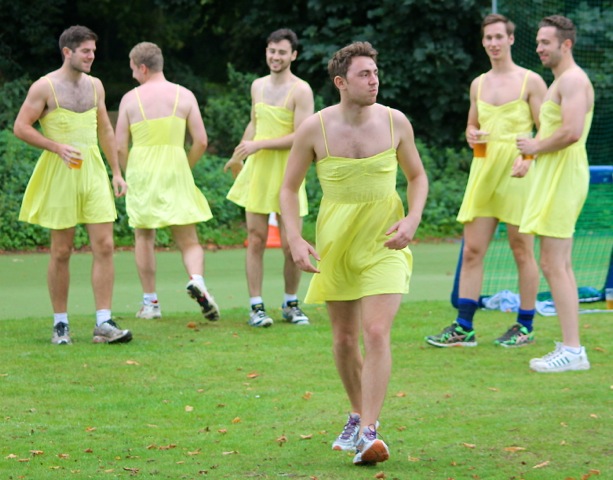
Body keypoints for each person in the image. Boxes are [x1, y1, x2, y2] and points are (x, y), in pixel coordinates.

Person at [280, 42, 428, 466]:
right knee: (344, 341)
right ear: (341, 82)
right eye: (364, 74)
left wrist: (413, 218)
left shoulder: (396, 122)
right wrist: (294, 238)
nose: (374, 80)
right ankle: (357, 413)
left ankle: (369, 431)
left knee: (376, 331)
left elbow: (417, 177)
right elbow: (288, 188)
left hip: (385, 242)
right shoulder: (315, 128)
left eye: (375, 72)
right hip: (336, 245)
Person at [426, 14, 547, 348]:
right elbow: (472, 126)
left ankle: (525, 326)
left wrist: (528, 159)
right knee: (472, 250)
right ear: (483, 42)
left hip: (518, 172)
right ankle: (464, 327)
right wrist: (471, 134)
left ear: (510, 39)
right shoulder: (478, 84)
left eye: (499, 37)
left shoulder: (531, 81)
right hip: (484, 172)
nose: (493, 43)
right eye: (488, 38)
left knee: (522, 250)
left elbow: (545, 130)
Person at [13, 25, 132, 345]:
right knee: (62, 250)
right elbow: (21, 127)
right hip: (60, 171)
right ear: (67, 52)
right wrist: (56, 147)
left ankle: (104, 322)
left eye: (93, 51)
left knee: (105, 245)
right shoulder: (44, 86)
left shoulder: (96, 85)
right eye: (85, 51)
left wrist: (116, 172)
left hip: (93, 171)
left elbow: (105, 130)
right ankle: (61, 324)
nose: (92, 56)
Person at [115, 42, 220, 322]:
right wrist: (185, 166)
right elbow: (201, 141)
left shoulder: (130, 99)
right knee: (189, 240)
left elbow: (120, 146)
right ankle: (197, 280)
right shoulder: (184, 95)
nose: (132, 75)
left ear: (143, 68)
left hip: (142, 172)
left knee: (144, 237)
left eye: (133, 69)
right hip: (175, 170)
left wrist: (126, 173)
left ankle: (150, 303)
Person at [516, 15, 594, 372]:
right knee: (557, 263)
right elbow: (553, 133)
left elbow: (572, 131)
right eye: (538, 42)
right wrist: (529, 156)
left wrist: (534, 147)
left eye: (545, 42)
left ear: (566, 44)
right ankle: (571, 346)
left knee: (553, 263)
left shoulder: (574, 80)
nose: (539, 48)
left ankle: (574, 350)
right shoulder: (561, 81)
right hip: (554, 177)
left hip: (565, 178)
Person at [224, 28, 314, 327]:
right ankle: (256, 307)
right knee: (256, 239)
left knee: (291, 244)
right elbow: (254, 123)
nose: (276, 57)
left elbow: (301, 136)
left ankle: (291, 303)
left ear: (293, 55)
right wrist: (239, 154)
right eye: (272, 51)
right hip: (259, 172)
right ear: (266, 52)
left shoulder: (301, 90)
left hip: (290, 172)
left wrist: (258, 145)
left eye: (282, 52)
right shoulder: (257, 86)